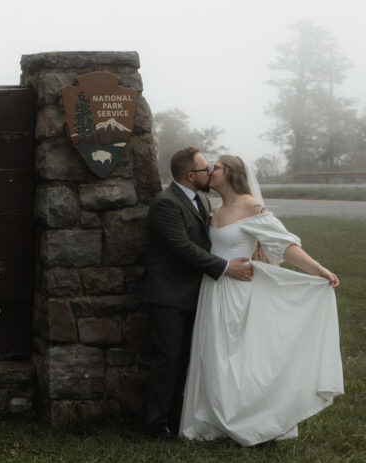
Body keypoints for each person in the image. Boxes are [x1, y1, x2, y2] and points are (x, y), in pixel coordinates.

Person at [179, 154, 344, 446]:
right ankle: (215, 420)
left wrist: (319, 270)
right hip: (213, 288)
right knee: (214, 354)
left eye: (214, 167)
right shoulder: (214, 210)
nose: (209, 172)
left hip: (239, 291)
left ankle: (253, 419)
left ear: (229, 173)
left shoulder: (251, 206)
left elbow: (285, 245)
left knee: (241, 357)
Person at [143, 146, 253, 440]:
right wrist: (224, 267)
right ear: (191, 176)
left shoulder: (201, 201)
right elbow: (181, 247)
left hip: (197, 294)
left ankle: (180, 418)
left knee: (188, 360)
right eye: (206, 169)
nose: (210, 173)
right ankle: (155, 423)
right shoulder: (166, 203)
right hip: (168, 295)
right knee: (167, 359)